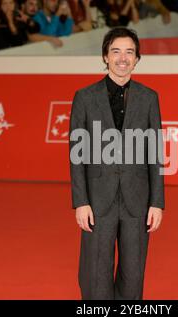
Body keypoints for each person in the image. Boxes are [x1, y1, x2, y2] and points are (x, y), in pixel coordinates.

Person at [69, 27, 165, 300]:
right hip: (98, 201)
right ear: (105, 57)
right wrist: (81, 201)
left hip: (138, 199)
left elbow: (155, 153)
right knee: (96, 272)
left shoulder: (149, 98)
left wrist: (157, 202)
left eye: (129, 52)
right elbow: (77, 155)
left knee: (133, 275)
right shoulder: (85, 98)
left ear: (136, 59)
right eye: (116, 51)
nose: (123, 58)